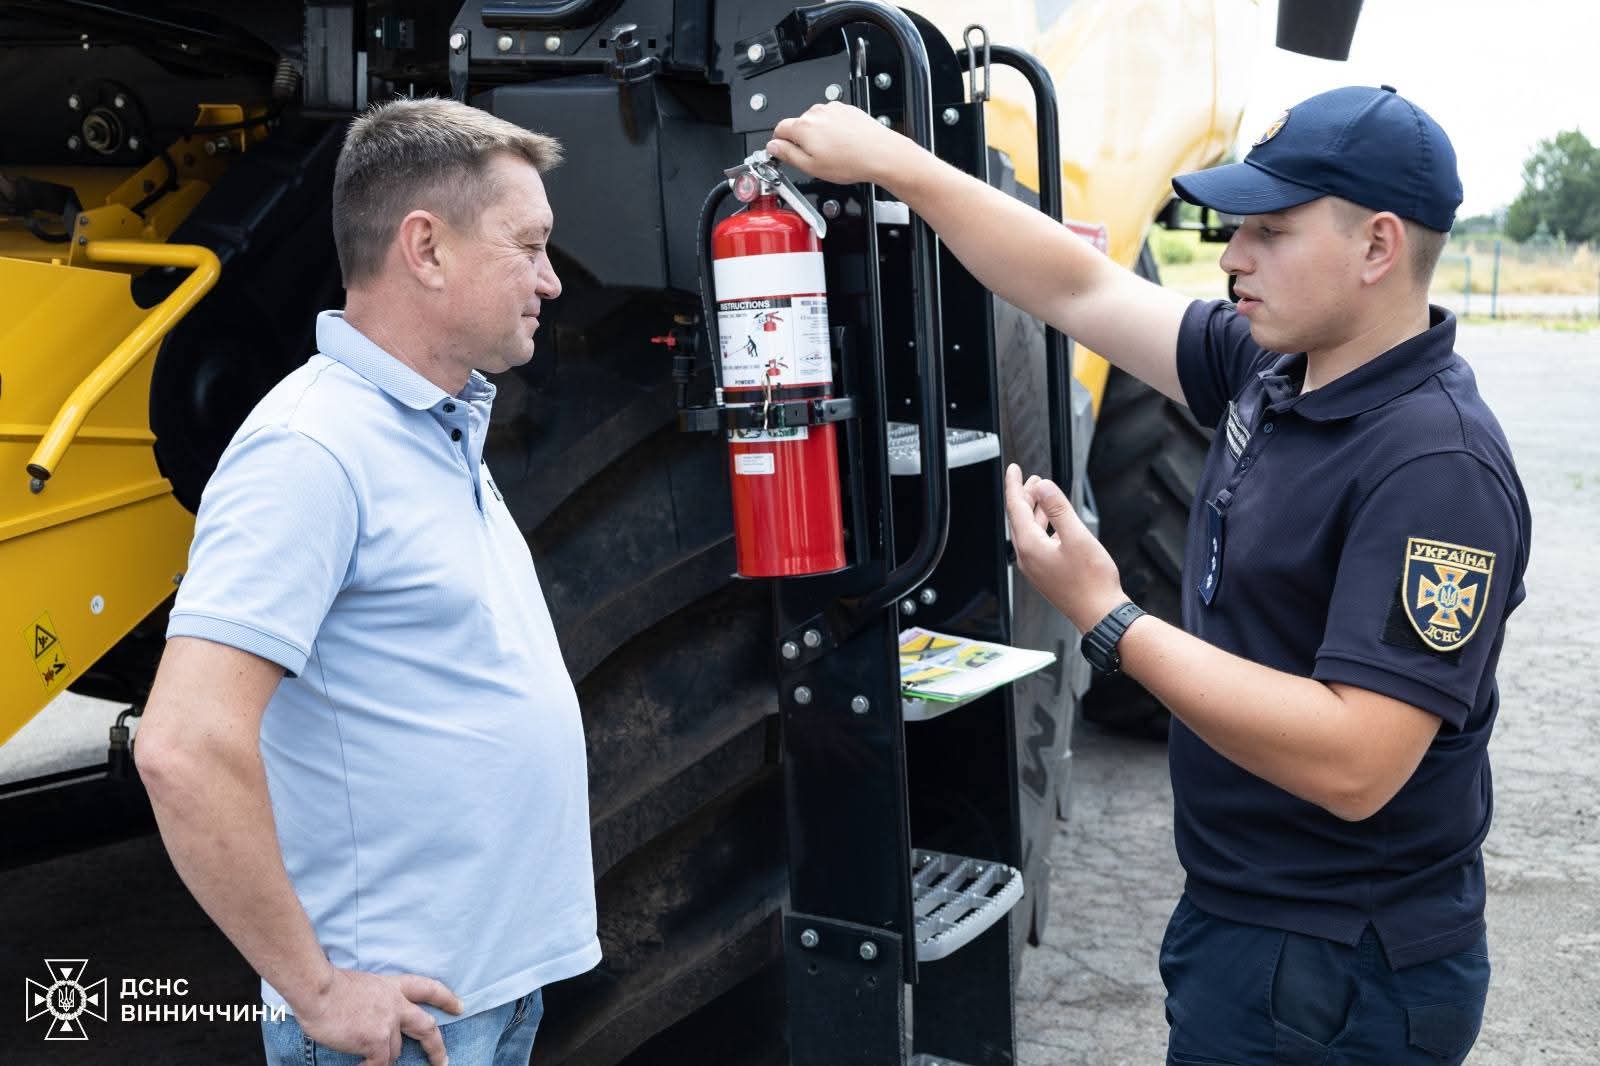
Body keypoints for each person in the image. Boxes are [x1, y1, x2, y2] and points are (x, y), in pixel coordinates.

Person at [768, 85, 1529, 1064]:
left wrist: (1106, 612)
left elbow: (1356, 761)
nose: (1230, 257)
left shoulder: (1436, 470)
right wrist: (896, 163)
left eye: (1268, 232)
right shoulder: (1275, 369)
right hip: (1248, 925)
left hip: (1338, 965)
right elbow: (1076, 287)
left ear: (1377, 247)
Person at [133, 97, 599, 1066]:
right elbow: (182, 746)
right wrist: (320, 990)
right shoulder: (310, 449)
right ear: (425, 249)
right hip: (391, 1030)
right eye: (531, 245)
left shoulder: (433, 428)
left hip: (479, 999)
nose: (552, 281)